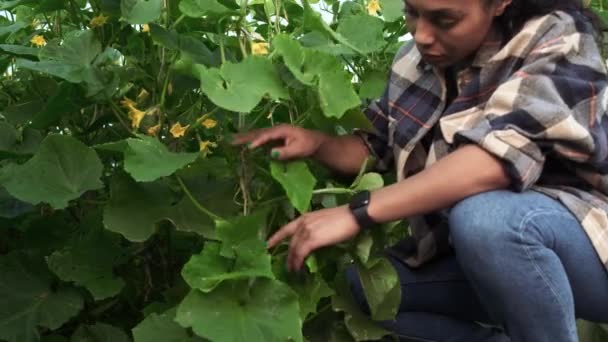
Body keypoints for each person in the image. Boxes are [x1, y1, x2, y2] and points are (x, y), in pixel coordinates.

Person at [232, 0, 608, 340]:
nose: (423, 35)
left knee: (488, 220)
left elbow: (493, 162)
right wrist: (318, 144)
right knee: (365, 290)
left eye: (445, 19)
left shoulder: (557, 37)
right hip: (485, 261)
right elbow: (376, 147)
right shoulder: (414, 62)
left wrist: (357, 211)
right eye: (413, 12)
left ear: (499, 4)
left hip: (590, 249)